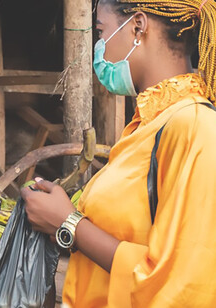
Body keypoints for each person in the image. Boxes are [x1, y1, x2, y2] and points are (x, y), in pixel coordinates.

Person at [21, 0, 216, 307]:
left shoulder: (194, 126)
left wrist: (68, 223)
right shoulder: (148, 124)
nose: (100, 47)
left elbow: (183, 285)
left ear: (138, 26)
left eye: (102, 31)